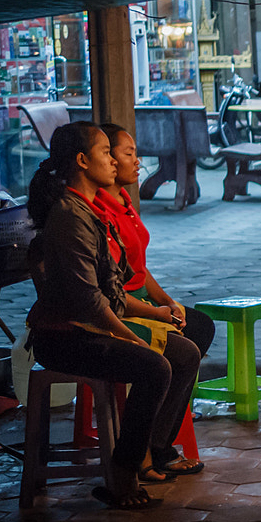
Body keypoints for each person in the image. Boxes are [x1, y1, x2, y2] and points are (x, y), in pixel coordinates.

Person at [24, 122, 202, 509]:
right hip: (62, 338)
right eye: (107, 152)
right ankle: (123, 475)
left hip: (85, 326)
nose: (114, 160)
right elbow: (91, 303)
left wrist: (150, 316)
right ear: (83, 161)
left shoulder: (87, 210)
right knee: (156, 366)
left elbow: (113, 293)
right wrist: (134, 337)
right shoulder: (71, 216)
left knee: (182, 352)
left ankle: (145, 454)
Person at [93, 123, 216, 480]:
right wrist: (156, 312)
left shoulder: (124, 200)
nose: (136, 160)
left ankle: (159, 441)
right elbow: (109, 292)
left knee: (200, 327)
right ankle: (149, 449)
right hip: (119, 309)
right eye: (126, 153)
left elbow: (138, 267)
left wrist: (168, 301)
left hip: (138, 300)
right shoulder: (96, 211)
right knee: (181, 353)